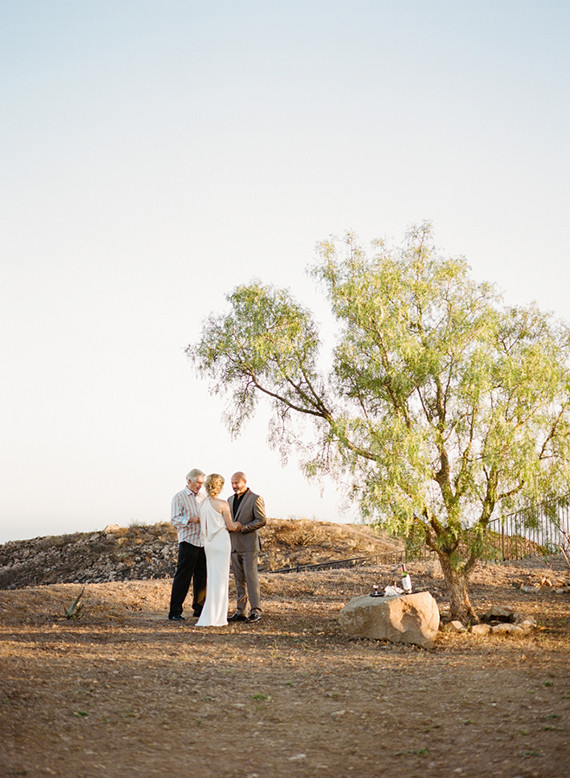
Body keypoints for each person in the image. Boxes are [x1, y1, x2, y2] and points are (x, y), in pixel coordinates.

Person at [195, 474, 242, 627]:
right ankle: (219, 617)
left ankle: (210, 614)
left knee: (212, 578)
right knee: (221, 579)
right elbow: (230, 526)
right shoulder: (223, 504)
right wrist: (239, 525)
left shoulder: (202, 504)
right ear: (219, 487)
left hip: (209, 543)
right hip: (221, 542)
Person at [227, 471, 266, 623]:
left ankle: (256, 610)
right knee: (238, 580)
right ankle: (240, 610)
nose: (234, 486)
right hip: (234, 545)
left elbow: (261, 520)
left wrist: (243, 528)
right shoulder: (229, 500)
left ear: (244, 482)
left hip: (249, 545)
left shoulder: (255, 498)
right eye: (232, 483)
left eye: (236, 482)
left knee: (251, 578)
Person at [168, 468, 206, 621]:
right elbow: (174, 520)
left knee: (202, 577)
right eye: (197, 482)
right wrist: (190, 519)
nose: (199, 486)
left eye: (202, 483)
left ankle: (199, 608)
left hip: (203, 541)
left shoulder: (204, 497)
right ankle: (175, 611)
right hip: (188, 541)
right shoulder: (179, 497)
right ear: (189, 481)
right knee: (183, 577)